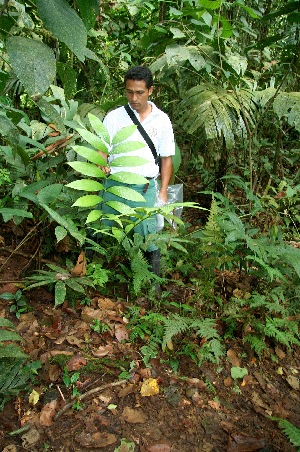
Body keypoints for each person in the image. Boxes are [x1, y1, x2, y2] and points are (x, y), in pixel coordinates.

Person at [99, 65, 175, 277]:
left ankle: (153, 285)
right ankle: (106, 279)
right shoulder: (114, 117)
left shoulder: (162, 120)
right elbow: (102, 149)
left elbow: (167, 159)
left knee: (148, 237)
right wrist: (101, 163)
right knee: (107, 231)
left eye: (139, 92)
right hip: (114, 185)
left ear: (151, 91)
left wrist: (163, 192)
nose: (134, 98)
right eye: (129, 92)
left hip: (144, 187)